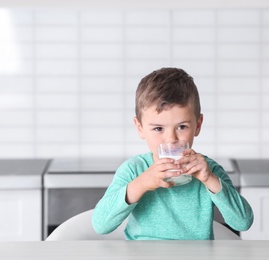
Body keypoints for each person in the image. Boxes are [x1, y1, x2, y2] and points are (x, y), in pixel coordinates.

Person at [92, 67, 253, 240]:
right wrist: (142, 184)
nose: (171, 139)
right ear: (140, 128)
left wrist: (210, 180)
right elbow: (101, 225)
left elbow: (243, 222)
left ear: (197, 125)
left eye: (182, 127)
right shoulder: (133, 170)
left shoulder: (209, 170)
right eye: (158, 128)